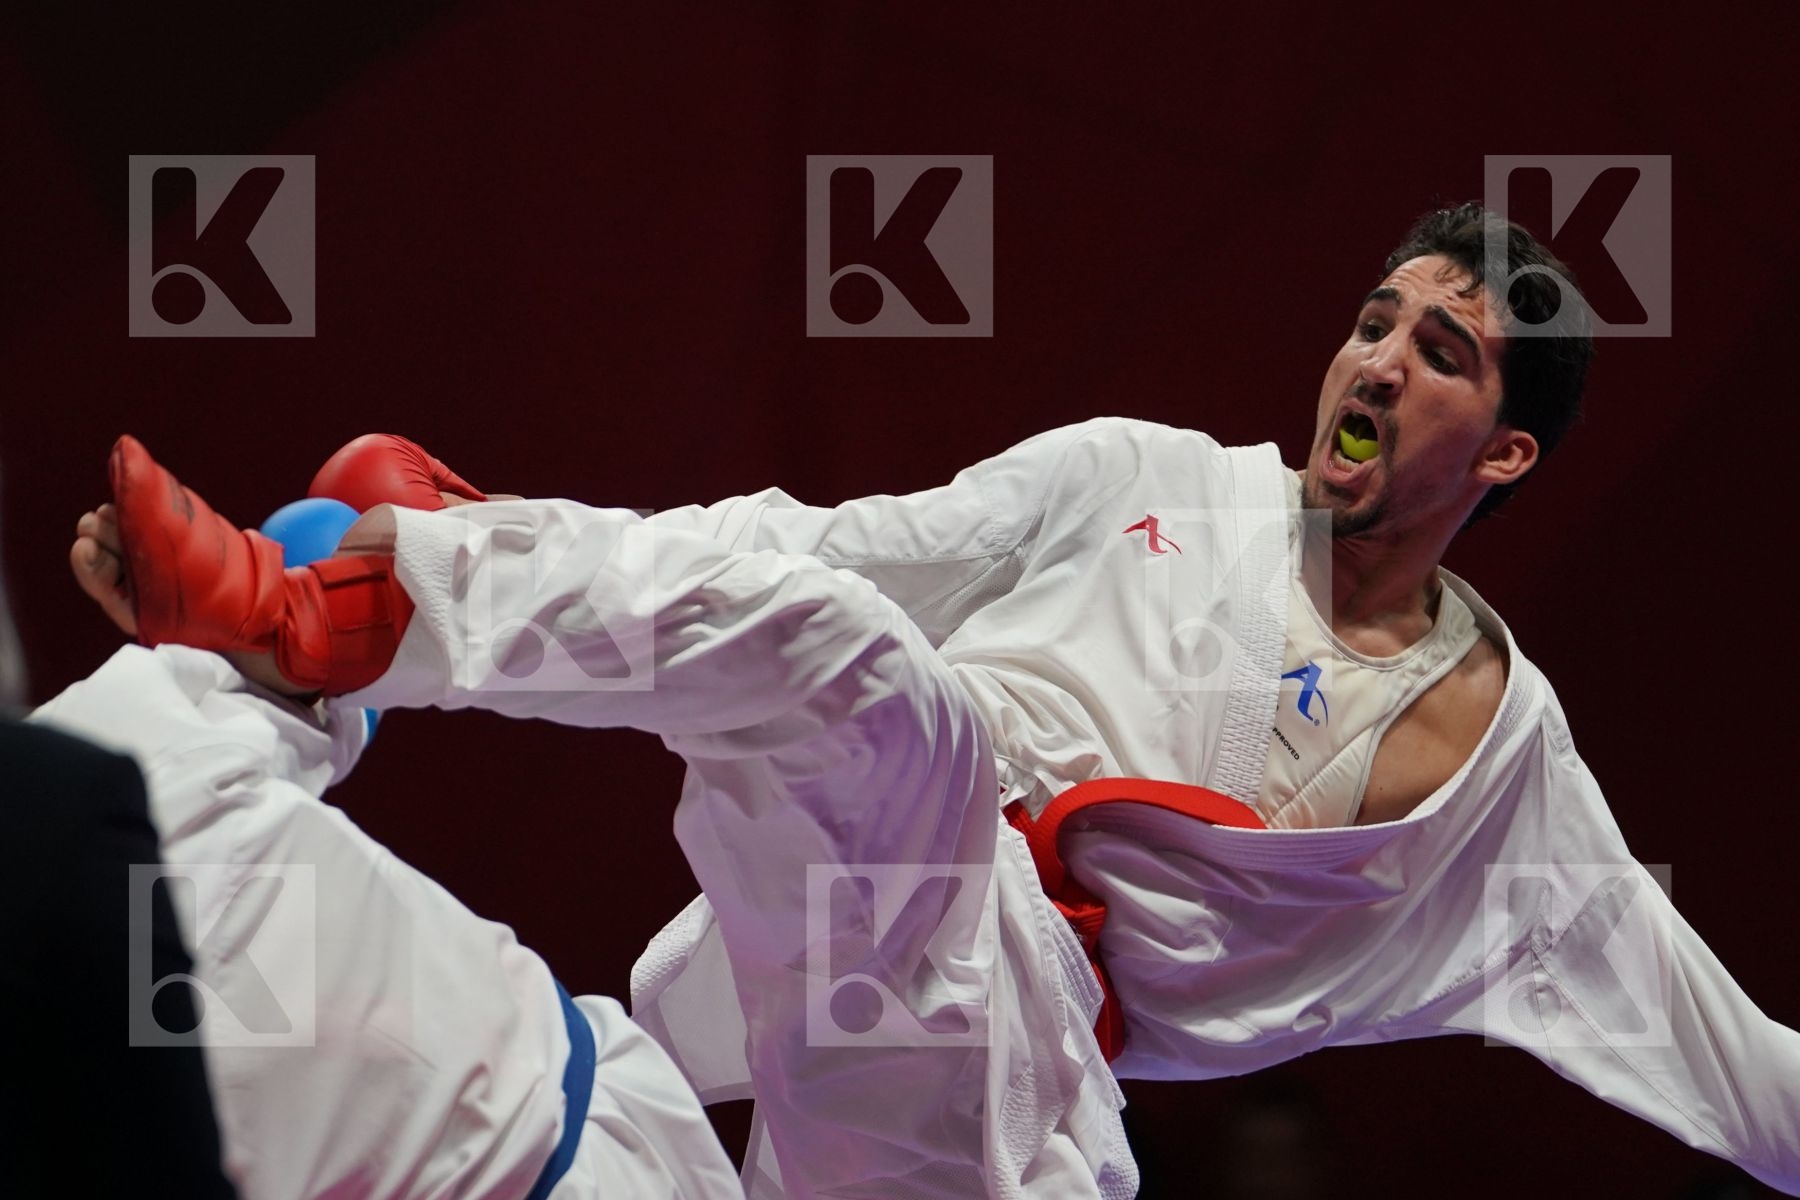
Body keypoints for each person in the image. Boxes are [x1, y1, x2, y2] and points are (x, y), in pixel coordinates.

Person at [76, 203, 1800, 1198]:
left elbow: (1751, 1077)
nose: (1376, 358)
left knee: (857, 717)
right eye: (1374, 319)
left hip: (1012, 1104)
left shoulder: (1503, 772)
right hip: (836, 905)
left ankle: (405, 581)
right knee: (848, 664)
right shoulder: (1141, 474)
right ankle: (346, 613)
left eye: (1441, 352)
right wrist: (529, 539)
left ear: (1501, 450)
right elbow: (823, 555)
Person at [40, 492, 741, 1199]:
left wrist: (282, 617)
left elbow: (325, 601)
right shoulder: (109, 756)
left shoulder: (104, 758)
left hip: (563, 1134)